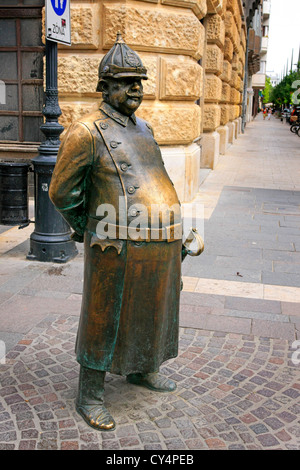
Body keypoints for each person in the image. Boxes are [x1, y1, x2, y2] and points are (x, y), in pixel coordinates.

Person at [49, 34, 187, 431]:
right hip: (114, 244)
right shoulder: (86, 131)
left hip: (159, 243)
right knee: (103, 315)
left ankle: (143, 367)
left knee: (152, 309)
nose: (135, 90)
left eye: (139, 82)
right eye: (126, 82)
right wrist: (86, 227)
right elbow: (62, 191)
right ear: (104, 87)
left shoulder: (144, 128)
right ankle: (90, 392)